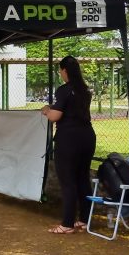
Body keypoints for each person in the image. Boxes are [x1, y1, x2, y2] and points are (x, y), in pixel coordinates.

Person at [40, 56, 97, 234]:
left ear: (65, 70)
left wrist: (46, 110)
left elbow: (55, 116)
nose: (60, 74)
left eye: (60, 71)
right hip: (87, 137)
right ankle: (84, 220)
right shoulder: (84, 90)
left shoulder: (64, 90)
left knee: (68, 180)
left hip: (68, 139)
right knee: (82, 178)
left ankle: (67, 223)